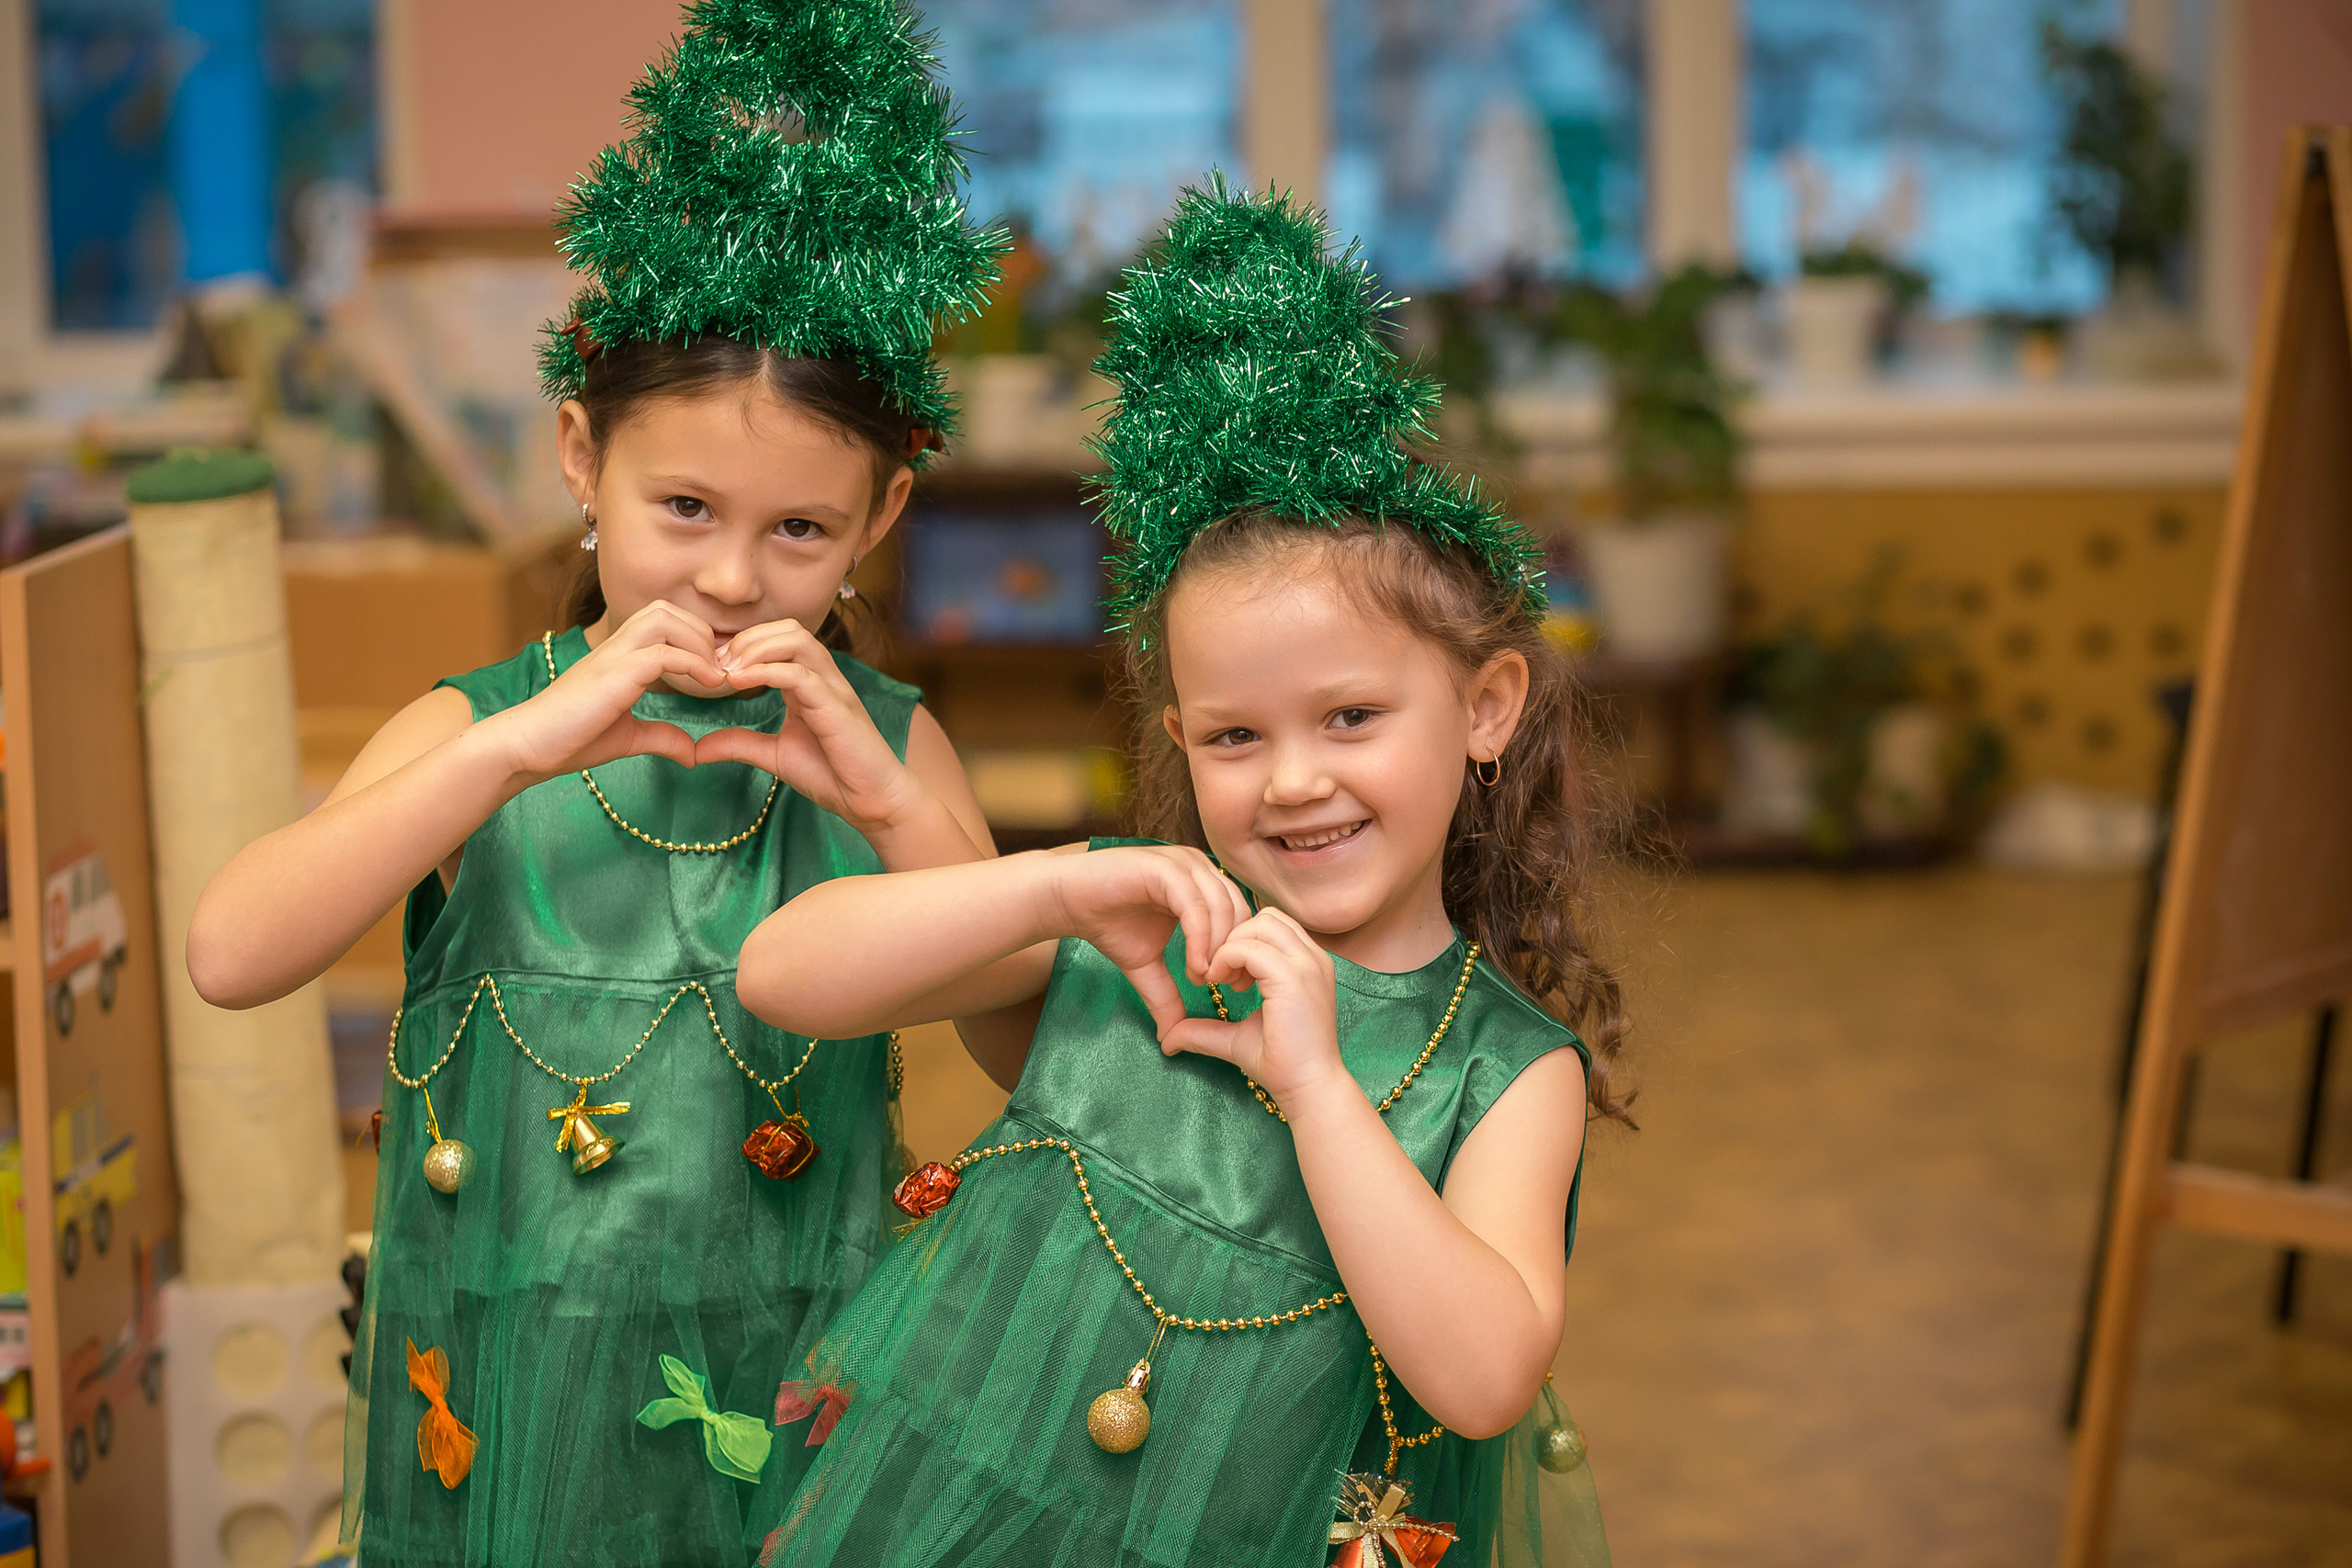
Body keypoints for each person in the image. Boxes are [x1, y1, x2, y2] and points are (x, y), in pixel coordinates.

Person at [185, 2, 1011, 1562]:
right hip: (508, 1405)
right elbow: (232, 952)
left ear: (883, 516)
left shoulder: (886, 741)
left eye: (801, 534)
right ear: (581, 457)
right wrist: (513, 749)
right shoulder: (475, 728)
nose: (731, 579)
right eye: (684, 506)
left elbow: (1020, 1014)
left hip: (804, 1373)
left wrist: (891, 802)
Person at [737, 177, 1625, 1568]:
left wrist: (1320, 1087)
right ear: (1177, 743)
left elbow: (1486, 1372)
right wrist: (1045, 890)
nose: (1289, 780)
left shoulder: (1507, 1072)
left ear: (1488, 708)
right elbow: (781, 976)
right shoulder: (1135, 936)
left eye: (1351, 718)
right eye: (1232, 735)